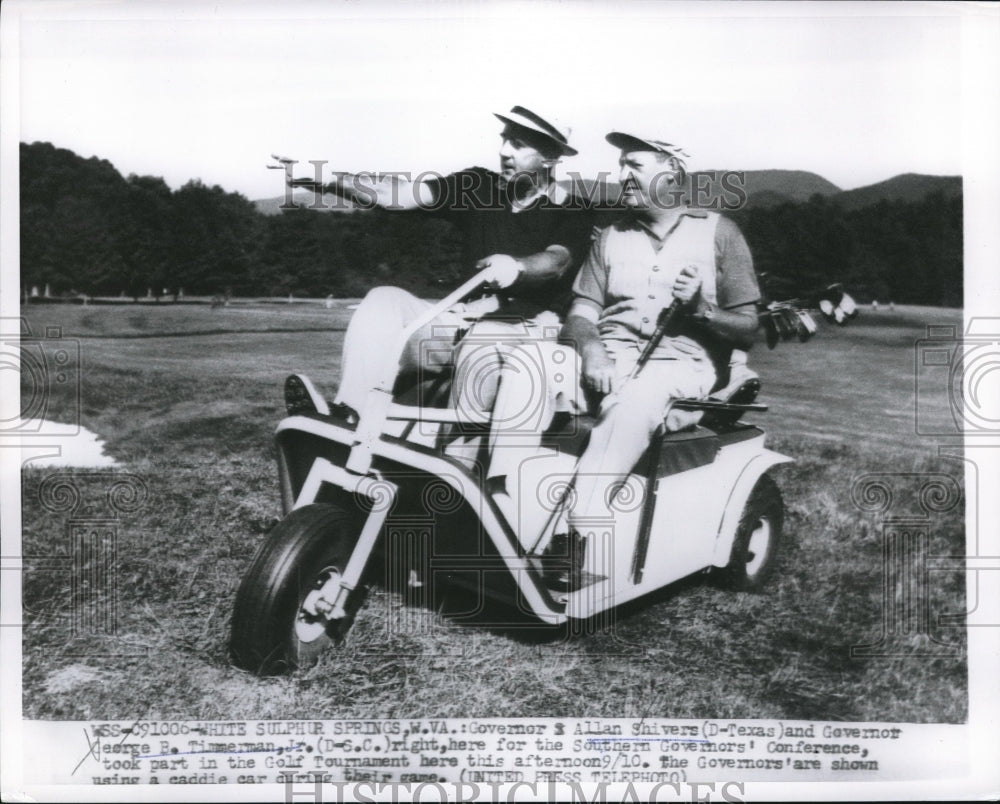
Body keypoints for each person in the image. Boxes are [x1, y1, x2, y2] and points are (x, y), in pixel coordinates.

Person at [487, 132, 761, 589]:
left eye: (633, 165)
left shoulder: (719, 232)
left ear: (670, 170)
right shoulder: (612, 235)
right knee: (528, 362)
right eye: (621, 166)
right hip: (607, 357)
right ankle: (499, 501)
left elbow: (749, 326)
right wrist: (591, 347)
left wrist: (701, 310)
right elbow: (581, 312)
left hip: (680, 365)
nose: (622, 176)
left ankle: (577, 536)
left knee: (635, 401)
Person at [286, 107, 594, 425]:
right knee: (384, 300)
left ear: (550, 158)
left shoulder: (573, 208)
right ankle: (349, 414)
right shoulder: (478, 185)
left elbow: (558, 260)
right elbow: (401, 195)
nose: (503, 152)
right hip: (458, 324)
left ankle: (457, 457)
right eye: (504, 140)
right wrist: (326, 180)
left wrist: (516, 267)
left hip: (524, 331)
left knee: (483, 339)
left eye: (517, 145)